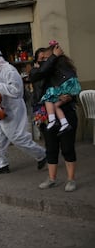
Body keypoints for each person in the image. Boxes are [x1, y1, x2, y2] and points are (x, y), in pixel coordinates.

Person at [0, 49, 47, 175]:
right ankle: (1, 164)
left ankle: (42, 154)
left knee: (17, 137)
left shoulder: (10, 71)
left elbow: (17, 91)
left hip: (12, 109)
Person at [29, 44, 78, 192]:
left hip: (66, 113)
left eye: (47, 56)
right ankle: (52, 179)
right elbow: (37, 75)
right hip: (47, 115)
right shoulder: (37, 73)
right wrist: (53, 57)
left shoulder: (64, 70)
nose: (46, 59)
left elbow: (74, 87)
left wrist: (69, 96)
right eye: (42, 58)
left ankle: (71, 180)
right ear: (37, 62)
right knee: (51, 148)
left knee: (67, 148)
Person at [39, 40, 81, 135]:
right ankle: (61, 122)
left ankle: (54, 120)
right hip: (63, 93)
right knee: (54, 103)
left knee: (48, 97)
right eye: (42, 59)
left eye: (46, 58)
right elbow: (40, 72)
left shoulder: (58, 65)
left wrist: (53, 57)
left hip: (66, 96)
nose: (44, 61)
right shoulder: (43, 70)